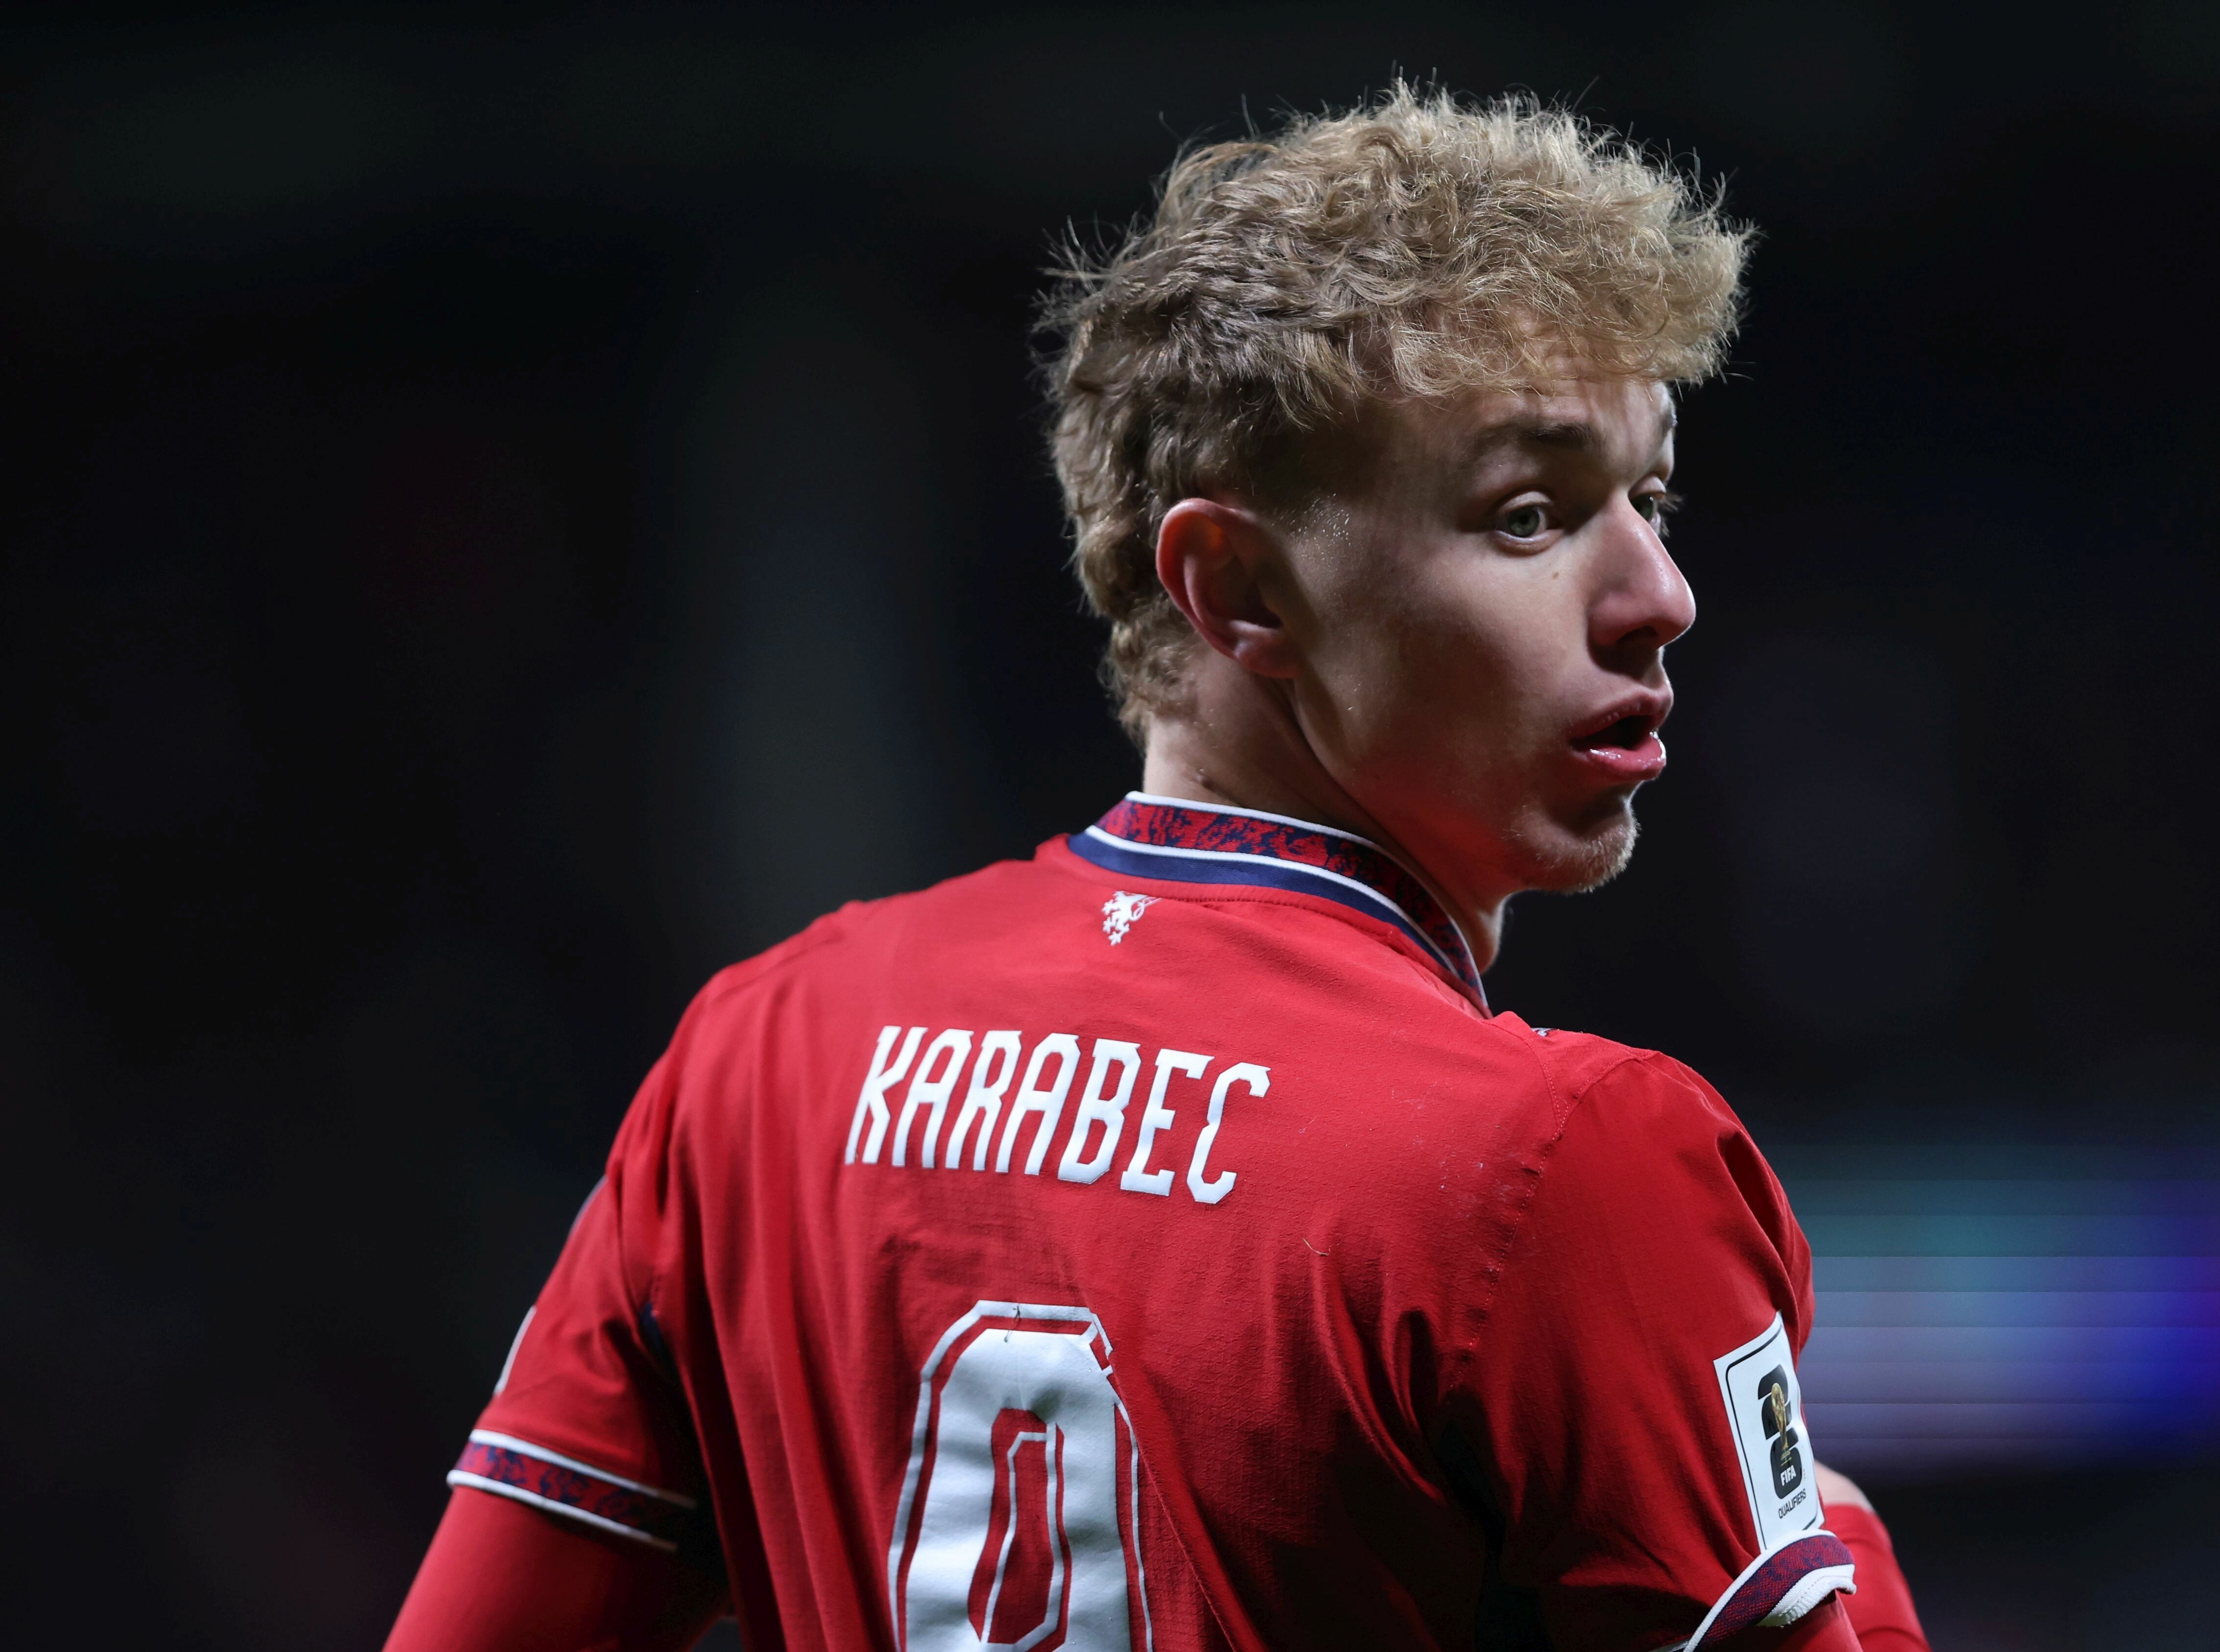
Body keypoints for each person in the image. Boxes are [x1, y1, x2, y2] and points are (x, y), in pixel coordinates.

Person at [384, 86, 1930, 1652]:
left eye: (1647, 501)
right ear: (1237, 589)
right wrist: (1835, 1540)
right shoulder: (1565, 1163)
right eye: (1527, 516)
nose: (1657, 595)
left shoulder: (758, 1054)